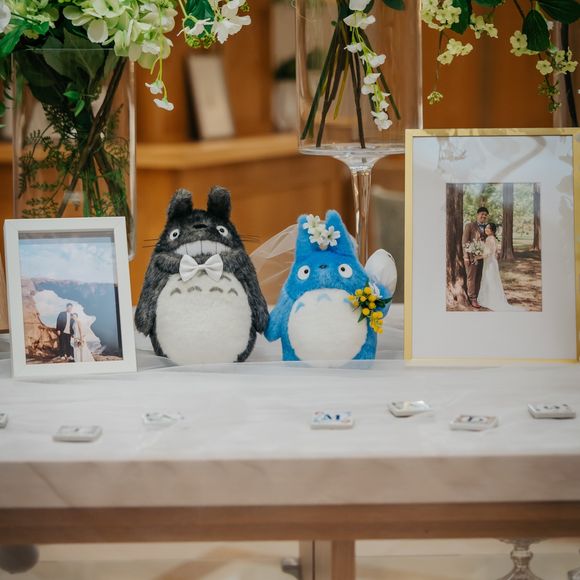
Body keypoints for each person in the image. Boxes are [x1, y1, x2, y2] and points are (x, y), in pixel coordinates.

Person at [477, 223, 522, 312]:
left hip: (489, 263)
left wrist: (477, 257)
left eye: (488, 228)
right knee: (492, 281)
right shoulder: (493, 238)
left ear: (492, 230)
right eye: (486, 228)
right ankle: (493, 299)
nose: (486, 229)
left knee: (489, 280)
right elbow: (496, 253)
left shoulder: (489, 239)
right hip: (493, 263)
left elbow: (487, 254)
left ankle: (490, 300)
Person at [462, 206, 488, 309]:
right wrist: (466, 257)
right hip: (471, 257)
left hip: (482, 257)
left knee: (479, 277)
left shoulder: (486, 228)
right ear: (477, 215)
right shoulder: (469, 225)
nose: (484, 216)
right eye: (482, 214)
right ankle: (472, 298)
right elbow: (464, 241)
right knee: (471, 278)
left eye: (485, 215)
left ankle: (477, 296)